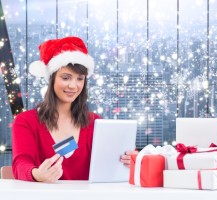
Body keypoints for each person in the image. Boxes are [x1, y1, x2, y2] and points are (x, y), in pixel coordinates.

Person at [12, 36, 137, 182]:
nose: (73, 85)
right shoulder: (26, 121)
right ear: (51, 79)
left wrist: (128, 160)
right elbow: (20, 163)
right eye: (66, 78)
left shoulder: (95, 122)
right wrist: (36, 174)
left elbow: (108, 167)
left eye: (80, 79)